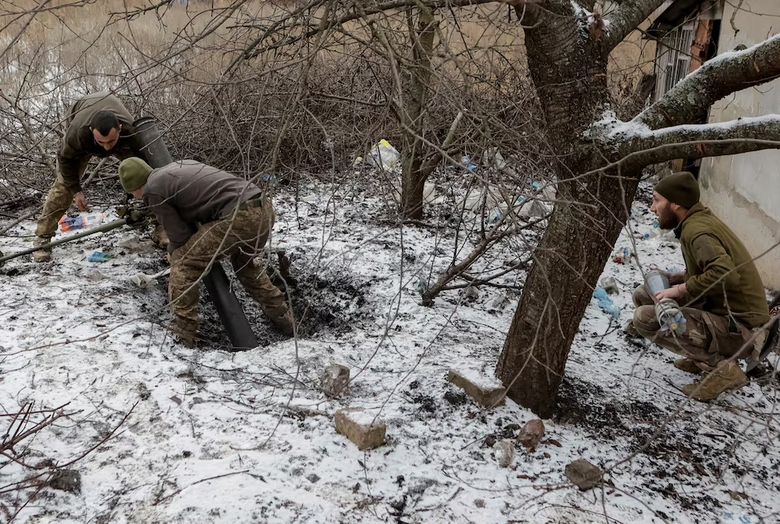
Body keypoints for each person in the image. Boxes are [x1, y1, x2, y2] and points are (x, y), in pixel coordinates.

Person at [118, 157, 294, 344]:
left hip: (237, 217)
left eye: (133, 194)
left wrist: (172, 251)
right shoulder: (178, 166)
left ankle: (185, 334)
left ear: (134, 187)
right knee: (246, 267)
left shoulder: (152, 190)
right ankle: (285, 320)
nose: (137, 198)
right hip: (262, 209)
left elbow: (179, 236)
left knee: (184, 262)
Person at [630, 171, 770, 401]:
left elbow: (725, 274)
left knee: (646, 318)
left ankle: (721, 369)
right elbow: (712, 271)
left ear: (675, 203)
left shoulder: (698, 231)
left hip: (745, 330)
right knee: (646, 295)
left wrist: (678, 290)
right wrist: (676, 278)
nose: (652, 207)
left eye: (656, 200)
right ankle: (701, 357)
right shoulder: (695, 221)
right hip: (725, 311)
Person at [34, 91, 152, 262]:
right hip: (81, 113)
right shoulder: (78, 132)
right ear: (91, 131)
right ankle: (42, 239)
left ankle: (160, 225)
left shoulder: (130, 131)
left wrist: (134, 193)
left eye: (110, 142)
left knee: (147, 177)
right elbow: (65, 159)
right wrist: (76, 191)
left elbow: (149, 169)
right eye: (101, 142)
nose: (106, 148)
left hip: (122, 138)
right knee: (63, 188)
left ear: (119, 129)